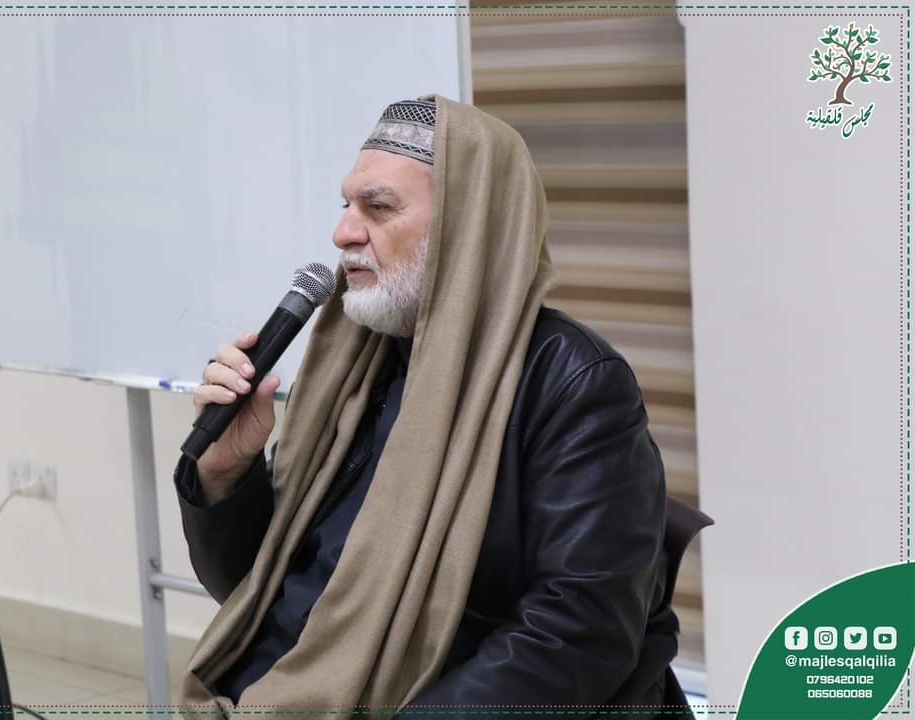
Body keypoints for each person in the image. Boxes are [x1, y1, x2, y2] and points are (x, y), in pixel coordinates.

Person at [174, 95, 688, 720]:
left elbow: (580, 632)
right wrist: (227, 473)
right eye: (345, 206)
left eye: (378, 208)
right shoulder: (355, 367)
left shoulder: (571, 379)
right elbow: (254, 594)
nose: (343, 233)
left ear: (465, 226)